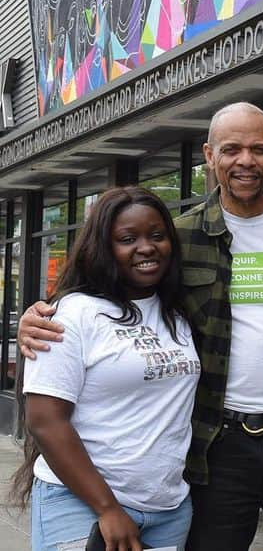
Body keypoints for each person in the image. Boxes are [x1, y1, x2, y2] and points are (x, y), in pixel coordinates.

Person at [19, 101, 263, 550]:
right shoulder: (177, 236)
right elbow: (110, 290)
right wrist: (40, 317)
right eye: (231, 149)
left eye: (259, 149)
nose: (246, 161)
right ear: (209, 155)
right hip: (217, 443)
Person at [15, 186, 200, 551]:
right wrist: (108, 508)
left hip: (168, 511)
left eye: (157, 236)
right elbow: (45, 419)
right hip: (82, 505)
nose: (146, 247)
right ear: (103, 248)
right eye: (127, 239)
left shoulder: (177, 313)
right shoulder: (74, 313)